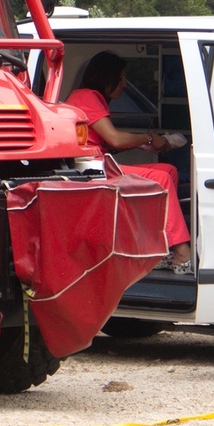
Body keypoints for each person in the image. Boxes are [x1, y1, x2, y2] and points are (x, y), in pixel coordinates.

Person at [67, 51, 193, 271]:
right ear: (106, 77)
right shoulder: (86, 97)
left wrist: (143, 142)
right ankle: (182, 252)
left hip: (101, 165)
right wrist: (148, 138)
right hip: (93, 171)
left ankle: (158, 248)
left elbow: (107, 142)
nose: (125, 84)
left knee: (169, 170)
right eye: (122, 78)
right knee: (161, 179)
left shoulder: (89, 98)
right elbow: (115, 138)